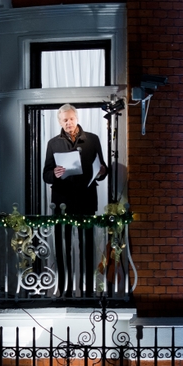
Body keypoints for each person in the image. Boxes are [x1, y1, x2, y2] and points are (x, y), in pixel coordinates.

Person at [43, 104, 108, 296]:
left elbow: (102, 167)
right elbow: (46, 174)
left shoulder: (92, 140)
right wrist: (54, 174)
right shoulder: (53, 143)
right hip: (62, 202)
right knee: (63, 248)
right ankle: (65, 291)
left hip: (86, 200)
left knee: (86, 247)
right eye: (65, 120)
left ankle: (87, 291)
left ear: (77, 119)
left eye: (71, 119)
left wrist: (102, 171)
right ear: (60, 122)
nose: (68, 123)